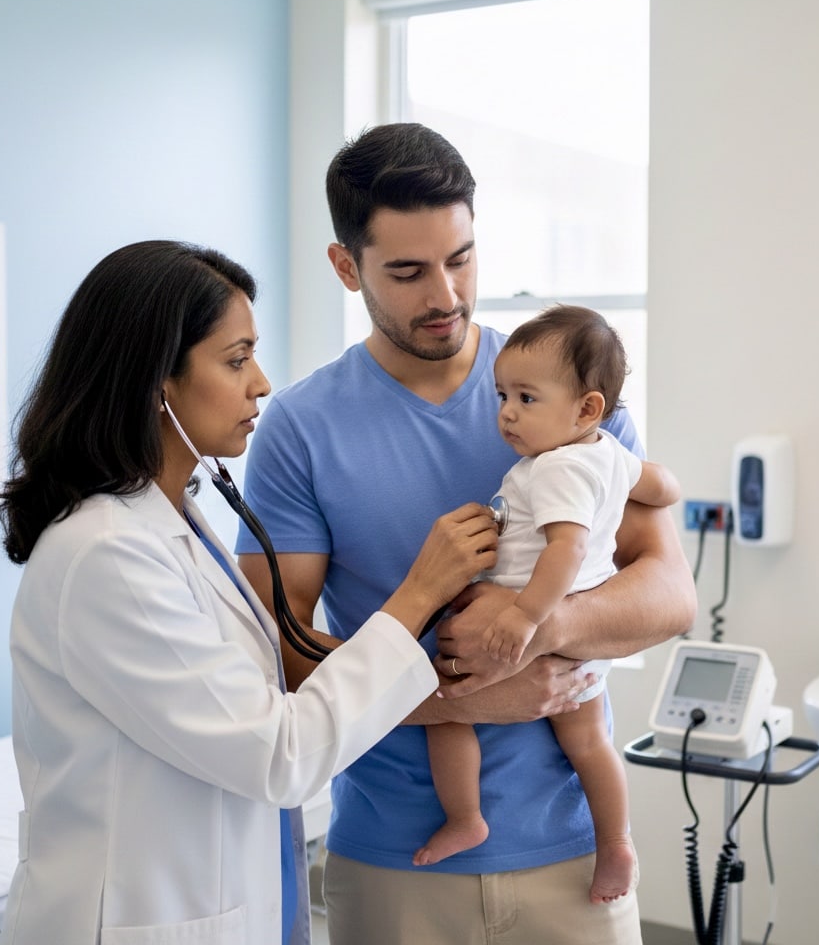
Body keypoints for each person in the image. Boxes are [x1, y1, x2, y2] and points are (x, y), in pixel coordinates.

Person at [237, 124, 697, 944]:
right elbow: (274, 649)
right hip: (394, 864)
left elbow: (669, 598)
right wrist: (462, 692)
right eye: (408, 272)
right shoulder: (301, 429)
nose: (444, 295)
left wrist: (535, 630)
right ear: (347, 268)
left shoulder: (564, 391)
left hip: (575, 857)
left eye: (461, 259)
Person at [0, 240, 499, 945]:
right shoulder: (107, 554)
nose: (260, 383)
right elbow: (280, 753)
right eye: (235, 360)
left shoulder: (175, 520)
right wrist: (419, 593)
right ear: (155, 384)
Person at [415, 305, 681, 912]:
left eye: (527, 399)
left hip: (528, 623)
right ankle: (615, 842)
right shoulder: (607, 452)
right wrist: (665, 485)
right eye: (502, 394)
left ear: (586, 408)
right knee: (589, 745)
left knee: (445, 712)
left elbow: (568, 549)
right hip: (584, 645)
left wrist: (525, 617)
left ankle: (465, 817)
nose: (506, 412)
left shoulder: (555, 469)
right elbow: (661, 486)